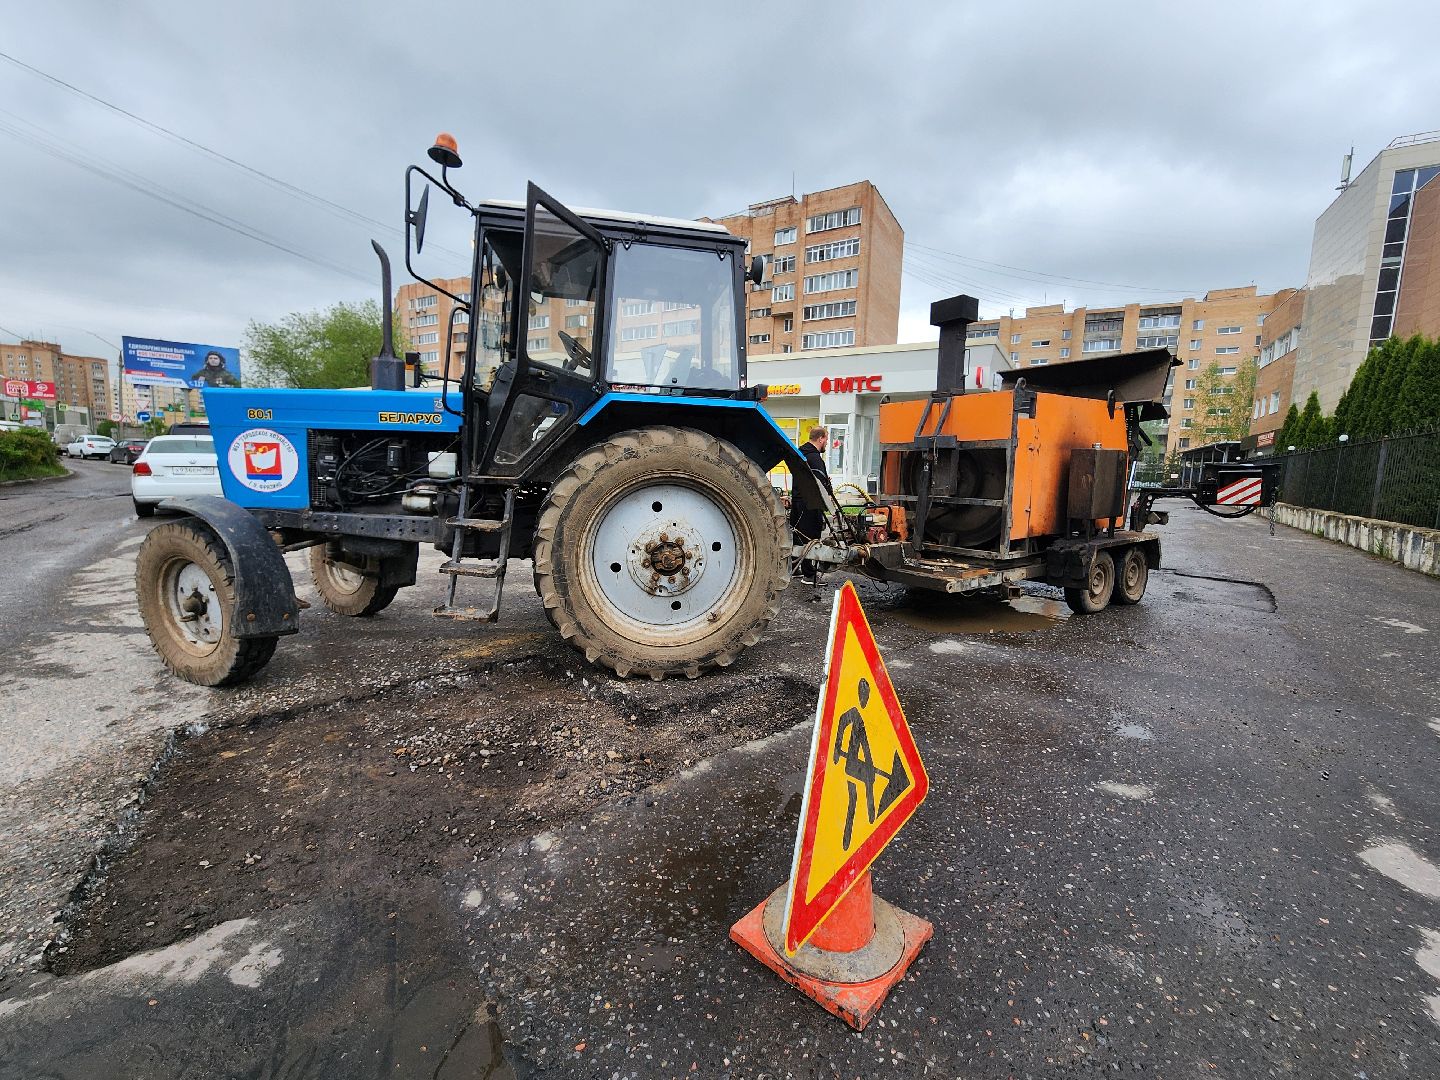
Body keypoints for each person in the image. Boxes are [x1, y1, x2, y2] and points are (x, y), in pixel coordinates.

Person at [789, 425, 834, 583]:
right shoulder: (815, 458)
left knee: (797, 535)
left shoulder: (800, 454)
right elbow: (819, 484)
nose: (827, 443)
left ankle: (794, 568)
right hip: (811, 504)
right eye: (826, 439)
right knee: (811, 538)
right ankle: (809, 575)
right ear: (820, 439)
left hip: (798, 501)